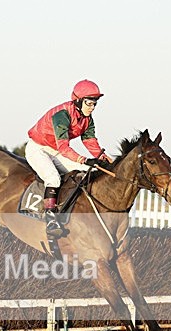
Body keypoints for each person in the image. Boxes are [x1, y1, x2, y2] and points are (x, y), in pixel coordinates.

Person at [26, 79, 112, 234]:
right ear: (78, 101)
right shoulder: (62, 115)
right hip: (38, 149)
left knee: (87, 170)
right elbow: (64, 147)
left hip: (55, 151)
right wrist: (84, 159)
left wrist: (103, 158)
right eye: (89, 103)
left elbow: (89, 141)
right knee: (53, 178)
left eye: (94, 104)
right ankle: (50, 218)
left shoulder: (87, 119)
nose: (92, 108)